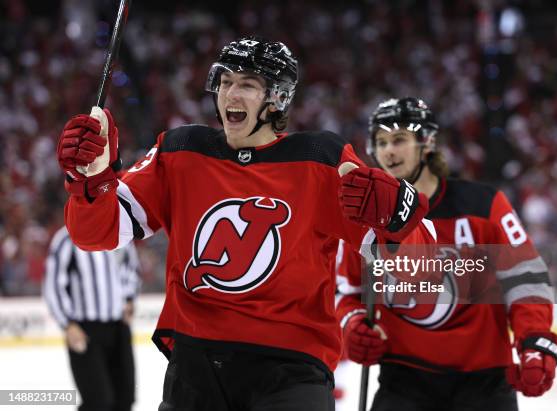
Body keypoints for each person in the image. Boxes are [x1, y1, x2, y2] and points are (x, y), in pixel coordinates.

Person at [55, 37, 434, 410]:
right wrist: (91, 179)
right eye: (225, 82)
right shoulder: (181, 151)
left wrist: (396, 221)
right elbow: (95, 235)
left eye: (248, 85)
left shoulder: (321, 159)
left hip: (290, 372)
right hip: (195, 368)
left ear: (278, 98)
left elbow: (421, 271)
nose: (230, 94)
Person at [336, 97, 557, 410]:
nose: (388, 151)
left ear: (426, 143)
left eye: (399, 139)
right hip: (403, 382)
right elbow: (346, 291)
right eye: (381, 141)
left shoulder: (484, 205)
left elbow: (526, 279)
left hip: (484, 383)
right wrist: (353, 324)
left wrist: (534, 339)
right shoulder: (368, 216)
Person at [43, 225, 141, 411]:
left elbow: (131, 268)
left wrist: (129, 298)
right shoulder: (66, 239)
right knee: (98, 401)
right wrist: (68, 324)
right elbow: (54, 285)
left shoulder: (121, 233)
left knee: (125, 398)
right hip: (85, 331)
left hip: (119, 327)